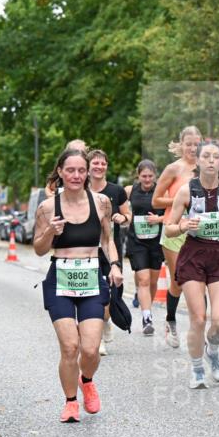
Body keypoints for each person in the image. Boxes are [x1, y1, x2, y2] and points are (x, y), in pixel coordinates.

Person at [34, 148, 123, 423]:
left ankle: (87, 380)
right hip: (60, 279)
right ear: (60, 172)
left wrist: (116, 265)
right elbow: (38, 248)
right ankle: (71, 402)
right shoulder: (48, 208)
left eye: (81, 170)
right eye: (70, 170)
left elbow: (107, 239)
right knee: (70, 347)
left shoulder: (101, 203)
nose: (76, 175)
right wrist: (51, 231)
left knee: (90, 349)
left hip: (91, 277)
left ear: (87, 173)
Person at [164, 140, 219, 389]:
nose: (211, 160)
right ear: (198, 161)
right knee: (198, 319)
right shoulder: (186, 191)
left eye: (216, 156)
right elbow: (169, 228)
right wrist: (183, 225)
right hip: (193, 253)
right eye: (207, 156)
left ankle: (212, 351)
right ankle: (197, 368)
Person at [152, 125, 202, 348]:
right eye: (188, 144)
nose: (192, 148)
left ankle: (199, 328)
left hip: (199, 231)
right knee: (178, 280)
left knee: (201, 280)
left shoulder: (207, 168)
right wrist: (181, 200)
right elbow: (155, 201)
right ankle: (171, 320)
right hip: (174, 229)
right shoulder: (173, 169)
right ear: (181, 145)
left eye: (196, 144)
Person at [87, 149, 131, 355]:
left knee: (111, 295)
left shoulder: (116, 191)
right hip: (86, 250)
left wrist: (123, 219)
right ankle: (97, 339)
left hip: (110, 249)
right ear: (88, 166)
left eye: (103, 164)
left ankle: (105, 321)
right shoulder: (79, 190)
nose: (99, 167)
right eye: (95, 163)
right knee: (95, 294)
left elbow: (128, 214)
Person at [124, 160, 165, 335]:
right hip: (137, 241)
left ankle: (145, 302)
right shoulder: (129, 190)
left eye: (150, 176)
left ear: (155, 176)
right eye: (143, 176)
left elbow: (175, 212)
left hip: (156, 241)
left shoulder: (163, 191)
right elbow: (118, 208)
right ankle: (146, 318)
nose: (147, 179)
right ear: (138, 176)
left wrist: (159, 219)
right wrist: (124, 216)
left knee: (153, 281)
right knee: (144, 280)